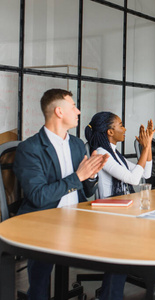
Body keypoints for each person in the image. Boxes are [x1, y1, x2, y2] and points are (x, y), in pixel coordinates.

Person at [13, 89, 125, 300]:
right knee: (39, 286)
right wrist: (79, 176)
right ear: (59, 111)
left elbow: (87, 191)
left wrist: (91, 176)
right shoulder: (30, 148)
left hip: (78, 219)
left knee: (120, 246)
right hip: (43, 221)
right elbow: (38, 196)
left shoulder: (75, 144)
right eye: (73, 106)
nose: (78, 111)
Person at [84, 112, 155, 291]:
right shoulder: (104, 153)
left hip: (124, 208)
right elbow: (134, 179)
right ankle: (153, 272)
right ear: (110, 131)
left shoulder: (114, 152)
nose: (125, 129)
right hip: (111, 213)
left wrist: (147, 147)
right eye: (121, 125)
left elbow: (145, 174)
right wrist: (147, 145)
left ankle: (154, 271)